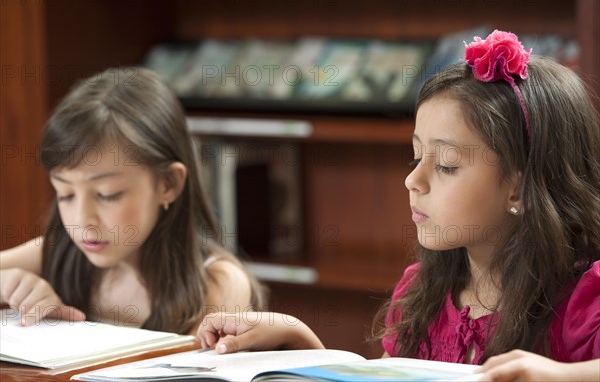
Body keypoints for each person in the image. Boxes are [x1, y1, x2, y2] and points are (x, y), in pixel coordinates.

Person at [197, 30, 600, 372]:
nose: (412, 180)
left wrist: (565, 377)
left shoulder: (584, 299)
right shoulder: (422, 291)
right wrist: (298, 340)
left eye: (445, 164)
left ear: (520, 188)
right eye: (415, 156)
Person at [0, 67, 265, 334]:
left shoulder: (217, 283)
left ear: (168, 183)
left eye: (107, 194)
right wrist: (6, 284)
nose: (82, 220)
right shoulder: (57, 252)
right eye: (65, 194)